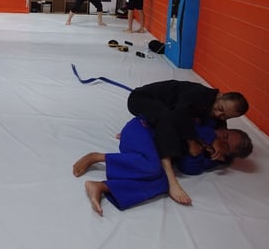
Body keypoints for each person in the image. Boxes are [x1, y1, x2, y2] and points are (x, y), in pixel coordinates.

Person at [73, 117, 253, 216]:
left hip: (146, 152)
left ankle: (102, 187)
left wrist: (200, 153)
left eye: (226, 146)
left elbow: (187, 168)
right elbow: (183, 119)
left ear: (225, 156)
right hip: (141, 131)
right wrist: (203, 138)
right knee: (153, 167)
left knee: (164, 182)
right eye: (225, 135)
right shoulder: (206, 123)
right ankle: (98, 157)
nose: (221, 140)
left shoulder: (208, 159)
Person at [126, 79, 248, 206]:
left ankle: (140, 130)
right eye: (220, 108)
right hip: (140, 99)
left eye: (225, 116)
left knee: (172, 120)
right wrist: (192, 142)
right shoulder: (201, 94)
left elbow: (220, 129)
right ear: (220, 95)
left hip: (158, 111)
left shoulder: (217, 115)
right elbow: (180, 114)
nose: (218, 114)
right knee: (167, 117)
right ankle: (170, 178)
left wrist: (222, 153)